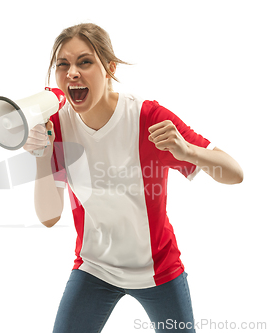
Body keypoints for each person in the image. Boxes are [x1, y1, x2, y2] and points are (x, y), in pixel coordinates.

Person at [23, 23, 243, 333]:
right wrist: (42, 157)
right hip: (94, 268)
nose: (72, 72)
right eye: (63, 64)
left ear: (109, 67)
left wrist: (187, 151)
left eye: (84, 62)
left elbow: (234, 173)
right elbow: (48, 217)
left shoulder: (147, 117)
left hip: (157, 270)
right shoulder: (56, 124)